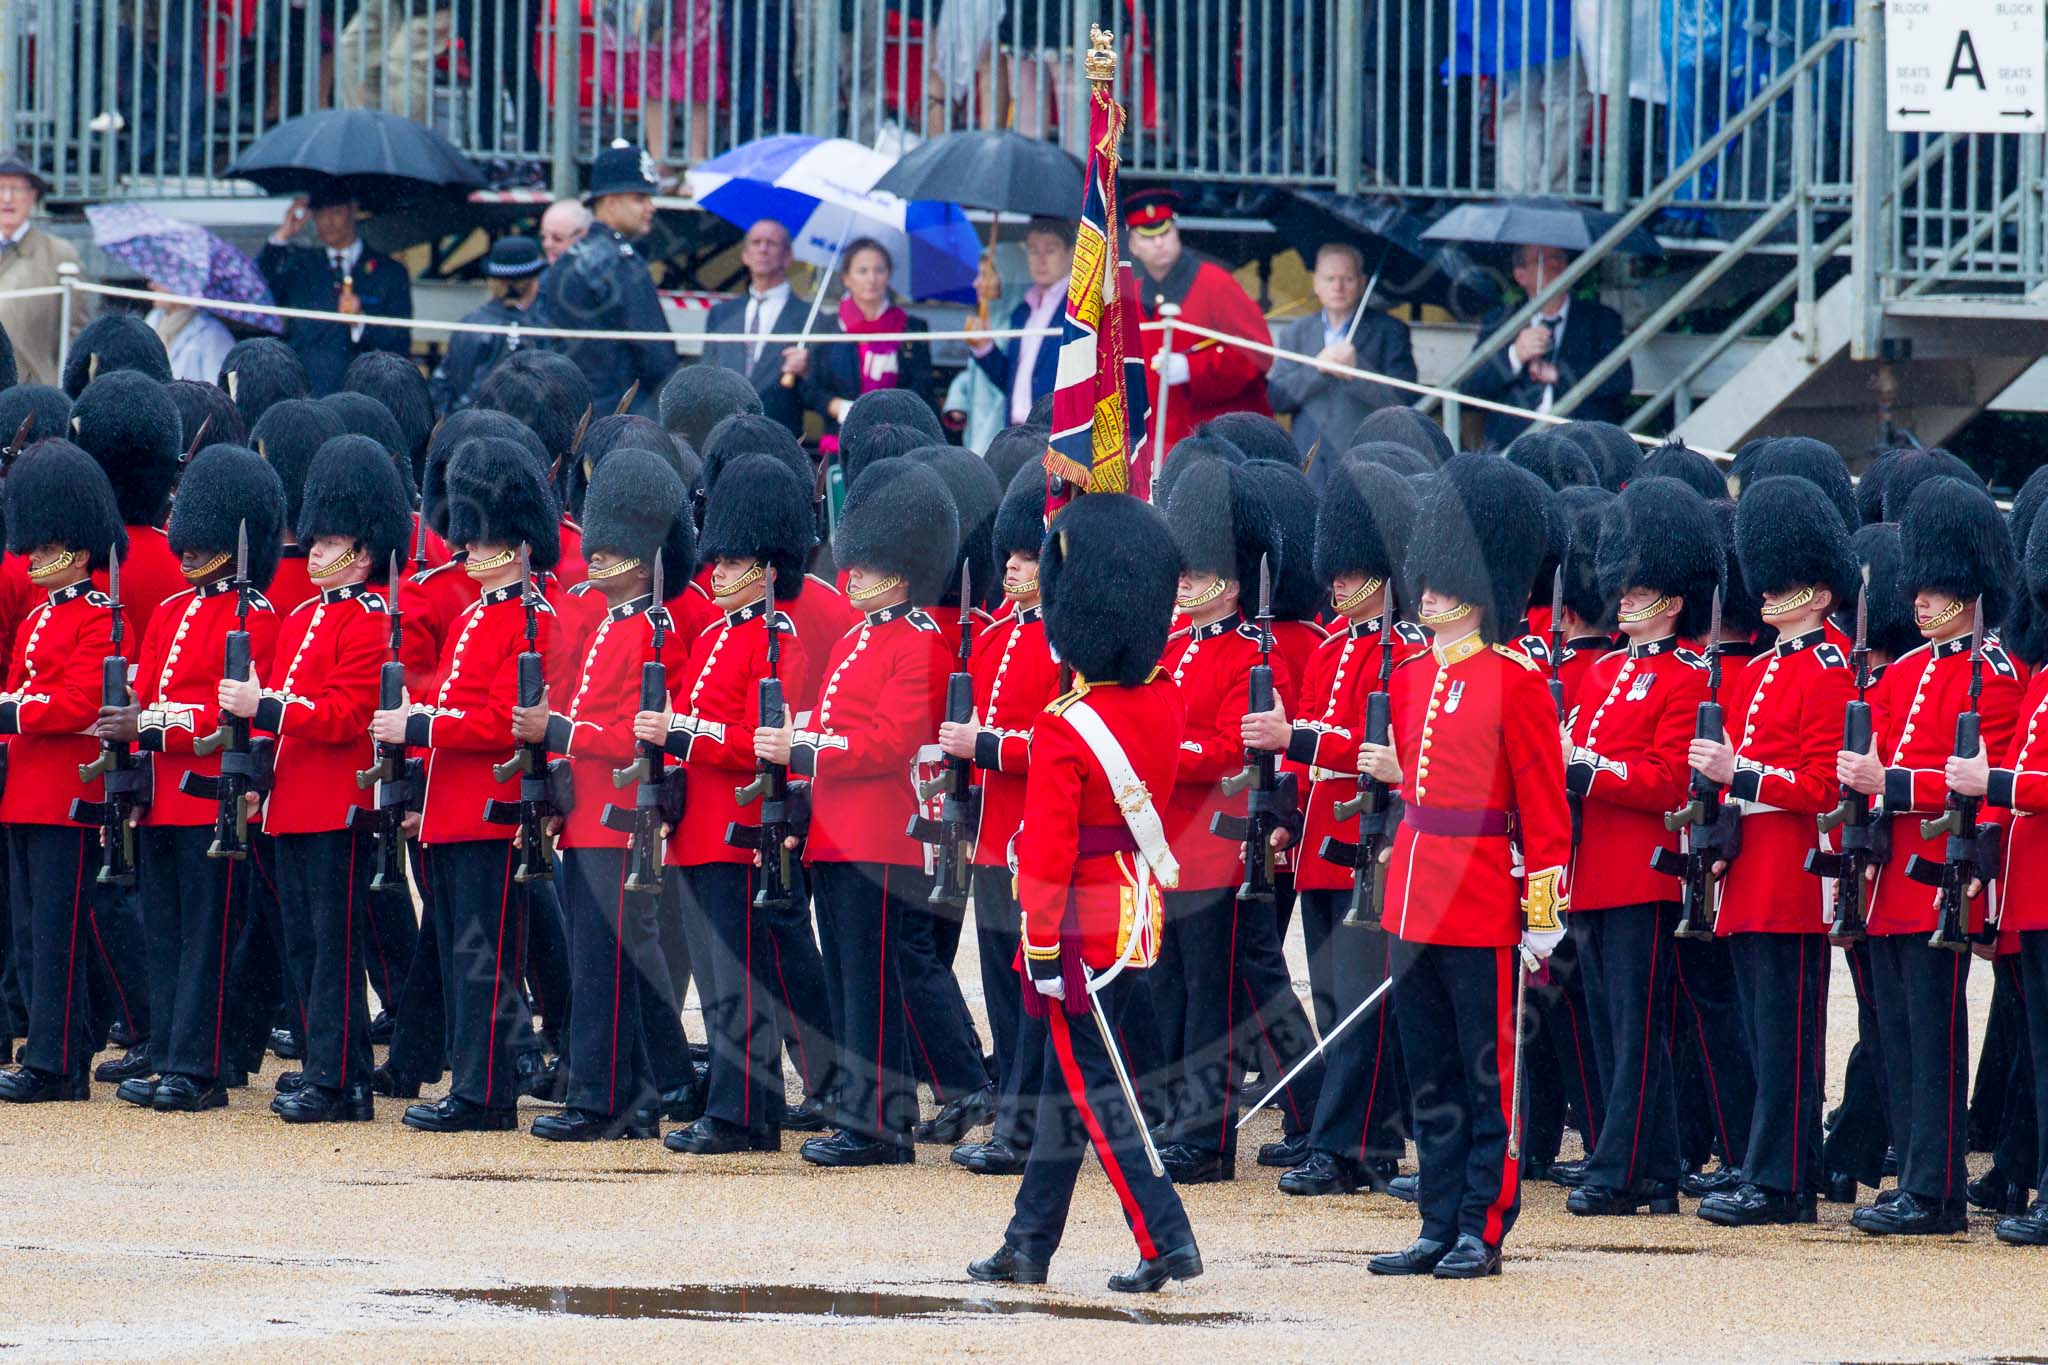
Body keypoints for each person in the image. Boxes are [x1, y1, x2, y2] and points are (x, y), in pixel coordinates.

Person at [965, 490, 1204, 1295]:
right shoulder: (1164, 697)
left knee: (1101, 1093)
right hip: (1134, 913)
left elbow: (1050, 851)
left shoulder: (1067, 724)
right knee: (1070, 1091)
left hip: (1075, 932)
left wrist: (1040, 945)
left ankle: (1166, 1238)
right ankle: (1028, 1242)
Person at [1360, 452, 1570, 1279]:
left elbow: (1545, 812)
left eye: (1448, 580)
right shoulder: (1413, 674)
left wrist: (1543, 915)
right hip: (1415, 894)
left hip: (1483, 895)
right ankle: (1436, 1219)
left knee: (1489, 1073)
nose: (1431, 593)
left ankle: (1483, 1221)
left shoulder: (1518, 681)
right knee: (1430, 1070)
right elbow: (1416, 789)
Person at [752, 458, 957, 1167]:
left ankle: (881, 1126)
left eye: (866, 564)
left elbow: (891, 741)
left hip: (881, 838)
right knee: (847, 982)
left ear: (900, 571)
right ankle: (863, 1114)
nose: (852, 573)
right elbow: (834, 721)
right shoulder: (855, 637)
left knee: (869, 986)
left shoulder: (921, 639)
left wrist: (803, 747)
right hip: (837, 838)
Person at [1836, 477, 2021, 1235]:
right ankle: (1914, 1173)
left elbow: (1985, 785)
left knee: (1935, 1037)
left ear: (1968, 588)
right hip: (1886, 879)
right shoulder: (1905, 672)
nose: (1919, 599)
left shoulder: (1995, 675)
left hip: (1939, 879)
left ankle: (1938, 1186)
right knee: (1897, 1036)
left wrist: (1892, 783)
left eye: (1936, 586)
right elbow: (1872, 759)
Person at [373, 436, 562, 1134]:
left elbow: (502, 724)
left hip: (491, 813)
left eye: (483, 539)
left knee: (488, 963)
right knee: (461, 959)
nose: (469, 548)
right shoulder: (476, 614)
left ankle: (487, 1095)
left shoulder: (531, 618)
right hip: (450, 813)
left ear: (517, 543)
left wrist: (421, 724)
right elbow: (458, 708)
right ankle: (472, 1081)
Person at [1246, 457, 1424, 1197]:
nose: (1340, 583)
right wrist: (1286, 816)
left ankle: (1352, 1145)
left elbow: (1384, 749)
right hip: (1321, 840)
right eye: (1338, 571)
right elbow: (1311, 749)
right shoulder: (1329, 647)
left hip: (1369, 840)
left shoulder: (1406, 650)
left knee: (1360, 1001)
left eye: (1354, 572)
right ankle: (1360, 1138)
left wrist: (1296, 738)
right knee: (1332, 997)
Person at [1688, 475, 1857, 1227]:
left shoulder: (1829, 667)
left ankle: (1786, 1182)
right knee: (1761, 1036)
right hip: (1749, 868)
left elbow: (1823, 787)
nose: (1766, 592)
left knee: (1788, 1038)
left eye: (1782, 583)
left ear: (1818, 592)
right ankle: (1769, 1166)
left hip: (1791, 874)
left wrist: (1741, 774)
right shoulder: (1761, 667)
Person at [224, 437, 409, 1124]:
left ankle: (339, 1081)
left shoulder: (368, 619)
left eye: (330, 542)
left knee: (334, 949)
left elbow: (342, 716)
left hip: (337, 805)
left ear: (362, 552)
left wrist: (264, 706)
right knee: (303, 943)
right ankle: (332, 1068)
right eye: (317, 539)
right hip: (292, 805)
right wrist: (258, 776)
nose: (316, 551)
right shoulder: (305, 615)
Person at [524, 448, 697, 1143]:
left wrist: (560, 730)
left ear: (643, 560)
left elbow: (637, 736)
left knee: (606, 967)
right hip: (587, 818)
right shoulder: (609, 623)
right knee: (597, 961)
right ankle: (637, 1094)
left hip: (620, 820)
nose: (595, 556)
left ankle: (605, 1101)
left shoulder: (653, 628)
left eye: (612, 548)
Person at [1558, 477, 1720, 1217]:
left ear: (1674, 601)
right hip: (1591, 872)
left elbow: (1666, 781)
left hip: (1645, 875)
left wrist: (1585, 767)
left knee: (1636, 1031)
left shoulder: (1687, 676)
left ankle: (1618, 1169)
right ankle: (1652, 1168)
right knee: (1608, 1027)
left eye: (1641, 590)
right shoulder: (1601, 671)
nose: (1624, 600)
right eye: (1623, 588)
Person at [1152, 459, 1315, 1186]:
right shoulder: (1173, 646)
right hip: (1169, 847)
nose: (1184, 580)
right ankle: (1189, 1115)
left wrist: (1159, 753)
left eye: (1197, 570)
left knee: (1212, 1001)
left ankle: (1206, 1137)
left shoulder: (1253, 652)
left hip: (1220, 846)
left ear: (1230, 580)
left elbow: (1230, 750)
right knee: (1176, 987)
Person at [107, 446, 284, 1114]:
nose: (189, 552)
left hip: (211, 800)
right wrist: (134, 769)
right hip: (161, 799)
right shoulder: (171, 610)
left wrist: (149, 725)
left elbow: (228, 713)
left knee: (208, 937)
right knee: (165, 933)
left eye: (203, 540)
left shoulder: (256, 615)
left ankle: (200, 1067)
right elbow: (149, 694)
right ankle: (168, 1052)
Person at [651, 453, 815, 1155]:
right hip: (697, 830)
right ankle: (741, 1103)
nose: (716, 571)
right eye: (716, 559)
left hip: (740, 830)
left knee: (739, 980)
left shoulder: (776, 640)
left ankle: (743, 1112)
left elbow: (761, 743)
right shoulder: (717, 635)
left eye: (733, 561)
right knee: (718, 982)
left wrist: (682, 732)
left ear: (768, 568)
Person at [943, 470, 1061, 1176]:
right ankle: (1015, 1117)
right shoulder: (990, 638)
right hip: (990, 838)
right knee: (1000, 988)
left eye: (1026, 555)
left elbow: (1057, 743)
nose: (1011, 565)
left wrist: (983, 745)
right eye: (1009, 555)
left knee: (1031, 991)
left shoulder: (1061, 641)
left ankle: (1025, 1127)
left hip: (1031, 839)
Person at [0, 441, 125, 1103]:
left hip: (66, 794)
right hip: (25, 791)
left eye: (45, 548)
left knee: (57, 935)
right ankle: (54, 1048)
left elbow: (80, 702)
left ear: (77, 552)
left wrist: (12, 710)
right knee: (29, 934)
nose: (33, 557)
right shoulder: (37, 617)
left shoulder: (101, 616)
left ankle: (58, 1063)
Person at [534, 141, 678, 417]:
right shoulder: (622, 263)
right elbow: (657, 355)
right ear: (610, 203)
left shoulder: (564, 262)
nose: (651, 207)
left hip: (568, 415)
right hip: (623, 419)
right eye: (640, 198)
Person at [1125, 188, 1273, 454]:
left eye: (1165, 233)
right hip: (1159, 446)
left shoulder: (1216, 284)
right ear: (1133, 246)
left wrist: (1192, 369)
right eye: (1148, 236)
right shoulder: (1133, 295)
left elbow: (1259, 353)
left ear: (1177, 233)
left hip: (1219, 447)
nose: (1158, 243)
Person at [1267, 243, 1418, 480]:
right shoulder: (1295, 333)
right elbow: (1278, 399)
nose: (1338, 287)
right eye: (1330, 279)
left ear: (1362, 282)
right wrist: (1316, 368)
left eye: (1347, 279)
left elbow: (1404, 399)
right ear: (1316, 283)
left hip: (1367, 466)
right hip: (1310, 466)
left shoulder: (1390, 331)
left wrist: (1356, 371)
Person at [1460, 243, 1631, 448]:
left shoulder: (1600, 319)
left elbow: (1621, 379)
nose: (1557, 265)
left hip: (1580, 445)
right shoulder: (1501, 320)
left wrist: (1560, 375)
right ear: (1521, 276)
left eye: (1561, 257)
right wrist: (1515, 355)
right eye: (1545, 260)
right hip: (1514, 447)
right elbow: (1471, 385)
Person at [258, 189, 413, 397]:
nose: (328, 221)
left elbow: (400, 342)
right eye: (320, 213)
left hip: (365, 396)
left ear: (353, 209)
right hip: (307, 394)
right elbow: (257, 288)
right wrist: (282, 236)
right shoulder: (301, 265)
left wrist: (360, 322)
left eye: (336, 212)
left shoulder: (390, 272)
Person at [789, 238, 935, 438]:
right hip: (840, 438)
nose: (871, 279)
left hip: (898, 438)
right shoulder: (826, 327)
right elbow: (811, 390)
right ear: (846, 278)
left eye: (879, 270)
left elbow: (922, 386)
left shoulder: (912, 328)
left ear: (889, 274)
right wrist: (838, 407)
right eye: (862, 271)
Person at [698, 218, 808, 437]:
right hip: (723, 436)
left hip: (778, 438)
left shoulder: (810, 317)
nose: (763, 249)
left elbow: (818, 394)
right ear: (745, 255)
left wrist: (806, 371)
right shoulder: (721, 314)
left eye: (772, 243)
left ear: (788, 256)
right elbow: (706, 378)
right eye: (756, 242)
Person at [967, 218, 1075, 427]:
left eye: (1050, 250)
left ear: (1071, 254)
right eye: (1033, 250)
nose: (1040, 260)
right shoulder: (1022, 311)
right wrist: (985, 348)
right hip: (1017, 430)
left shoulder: (1077, 308)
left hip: (1055, 430)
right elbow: (1011, 383)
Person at [0, 150, 95, 387]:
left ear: (33, 195)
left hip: (33, 394)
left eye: (17, 189)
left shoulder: (59, 255)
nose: (7, 198)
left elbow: (78, 338)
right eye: (0, 188)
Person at [429, 237, 547, 415]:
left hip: (460, 423)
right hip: (497, 426)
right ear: (532, 283)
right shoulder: (528, 331)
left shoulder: (468, 321)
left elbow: (441, 385)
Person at [145, 284, 235, 385]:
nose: (152, 285)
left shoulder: (215, 334)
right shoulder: (153, 318)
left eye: (161, 281)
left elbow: (218, 388)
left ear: (182, 288)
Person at [540, 199, 592, 264]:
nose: (547, 244)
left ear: (583, 237)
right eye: (543, 237)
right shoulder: (537, 269)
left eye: (557, 238)